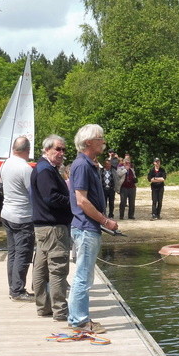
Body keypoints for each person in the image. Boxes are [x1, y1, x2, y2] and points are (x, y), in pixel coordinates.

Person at [67, 124, 117, 334]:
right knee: (83, 277)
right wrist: (106, 221)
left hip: (88, 228)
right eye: (100, 138)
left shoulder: (89, 164)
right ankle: (79, 322)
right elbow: (82, 201)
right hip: (86, 228)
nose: (103, 141)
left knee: (85, 277)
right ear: (89, 142)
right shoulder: (82, 165)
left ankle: (79, 318)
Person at [31, 135, 73, 321]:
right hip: (53, 227)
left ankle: (43, 307)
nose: (61, 153)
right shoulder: (45, 170)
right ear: (47, 149)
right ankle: (60, 311)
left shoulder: (45, 168)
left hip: (44, 227)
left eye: (63, 150)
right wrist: (74, 202)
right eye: (58, 149)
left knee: (40, 267)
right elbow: (51, 198)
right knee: (57, 269)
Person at [0, 136, 35, 302]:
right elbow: (33, 193)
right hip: (22, 217)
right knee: (23, 254)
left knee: (12, 253)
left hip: (7, 213)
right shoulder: (25, 169)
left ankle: (12, 287)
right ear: (27, 150)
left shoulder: (5, 164)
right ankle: (18, 291)